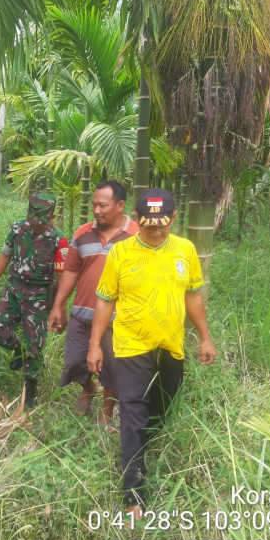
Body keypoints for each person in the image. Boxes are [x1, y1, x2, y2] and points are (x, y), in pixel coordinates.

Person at [87, 188, 216, 518]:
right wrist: (94, 344)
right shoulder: (121, 253)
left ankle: (145, 449)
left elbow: (193, 297)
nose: (155, 232)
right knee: (132, 414)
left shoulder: (185, 251)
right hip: (131, 347)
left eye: (162, 225)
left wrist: (204, 337)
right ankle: (134, 494)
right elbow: (105, 299)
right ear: (138, 219)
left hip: (171, 347)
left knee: (161, 409)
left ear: (174, 219)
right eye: (148, 226)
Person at [47, 180, 139, 430]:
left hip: (117, 319)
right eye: (94, 205)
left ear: (120, 205)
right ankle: (88, 387)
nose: (96, 210)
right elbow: (71, 271)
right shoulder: (82, 233)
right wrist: (59, 305)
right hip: (81, 315)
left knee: (112, 369)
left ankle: (107, 411)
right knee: (74, 363)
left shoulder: (137, 236)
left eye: (103, 205)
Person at [0, 192, 68, 407]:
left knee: (36, 344)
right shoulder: (17, 228)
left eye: (41, 223)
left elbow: (62, 275)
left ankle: (30, 392)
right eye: (33, 221)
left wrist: (60, 306)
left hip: (39, 295)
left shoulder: (59, 239)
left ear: (52, 217)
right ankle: (19, 350)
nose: (35, 227)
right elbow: (6, 255)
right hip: (13, 289)